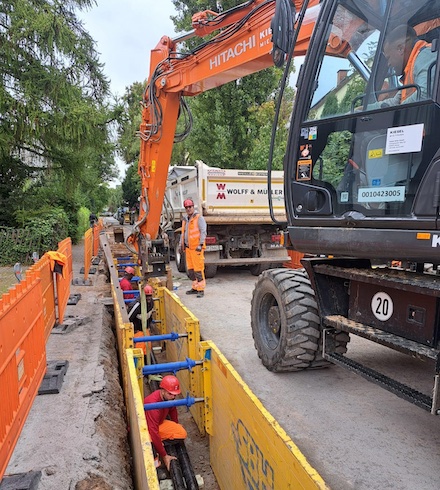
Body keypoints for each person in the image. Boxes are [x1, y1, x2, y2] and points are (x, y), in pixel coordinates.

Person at [378, 25, 437, 107]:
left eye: (388, 58)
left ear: (400, 49)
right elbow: (395, 102)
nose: (389, 64)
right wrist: (365, 109)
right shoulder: (411, 69)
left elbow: (425, 94)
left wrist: (397, 111)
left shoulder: (426, 56)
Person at [144, 375, 187, 470]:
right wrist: (165, 455)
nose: (173, 397)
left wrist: (176, 424)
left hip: (158, 424)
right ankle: (157, 460)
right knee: (153, 456)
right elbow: (153, 430)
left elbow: (172, 410)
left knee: (181, 433)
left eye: (175, 395)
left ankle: (159, 443)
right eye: (170, 394)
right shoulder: (153, 405)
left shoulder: (168, 399)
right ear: (162, 390)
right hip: (144, 428)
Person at [180, 198, 207, 298]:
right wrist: (181, 245)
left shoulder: (198, 218)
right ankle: (195, 287)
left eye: (190, 207)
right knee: (191, 270)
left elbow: (203, 232)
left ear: (193, 207)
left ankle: (200, 289)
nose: (188, 209)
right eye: (186, 207)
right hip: (188, 248)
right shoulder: (185, 220)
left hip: (196, 249)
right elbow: (183, 234)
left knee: (198, 270)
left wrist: (200, 245)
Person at [128, 284, 155, 356]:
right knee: (139, 352)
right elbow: (128, 320)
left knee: (147, 350)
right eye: (147, 296)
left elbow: (149, 316)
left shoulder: (151, 303)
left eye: (150, 296)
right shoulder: (136, 306)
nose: (149, 298)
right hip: (137, 332)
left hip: (145, 330)